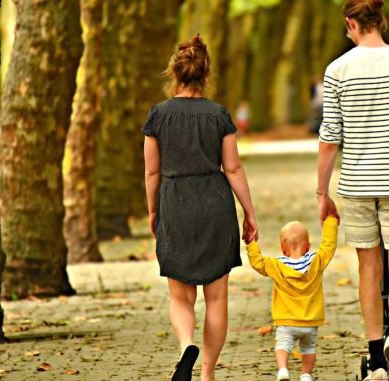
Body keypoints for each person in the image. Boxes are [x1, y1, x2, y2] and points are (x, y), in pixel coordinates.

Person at [316, 1, 389, 380]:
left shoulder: (338, 70)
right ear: (381, 20)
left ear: (351, 24)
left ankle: (377, 359)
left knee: (368, 269)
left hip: (357, 184)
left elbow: (330, 137)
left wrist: (322, 192)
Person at [142, 34, 258, 381]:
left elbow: (151, 171)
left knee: (180, 297)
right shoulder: (218, 115)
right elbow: (233, 168)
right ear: (205, 74)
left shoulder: (158, 116)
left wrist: (153, 212)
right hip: (214, 202)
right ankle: (206, 374)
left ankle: (185, 347)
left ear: (174, 74)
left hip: (175, 201)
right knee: (217, 298)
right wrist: (249, 213)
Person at [246, 215, 339, 381]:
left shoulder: (276, 265)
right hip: (310, 321)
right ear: (308, 246)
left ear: (283, 248)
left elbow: (257, 263)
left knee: (282, 345)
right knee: (309, 348)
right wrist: (330, 221)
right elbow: (328, 246)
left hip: (286, 321)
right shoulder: (316, 261)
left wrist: (251, 242)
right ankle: (306, 374)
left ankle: (283, 370)